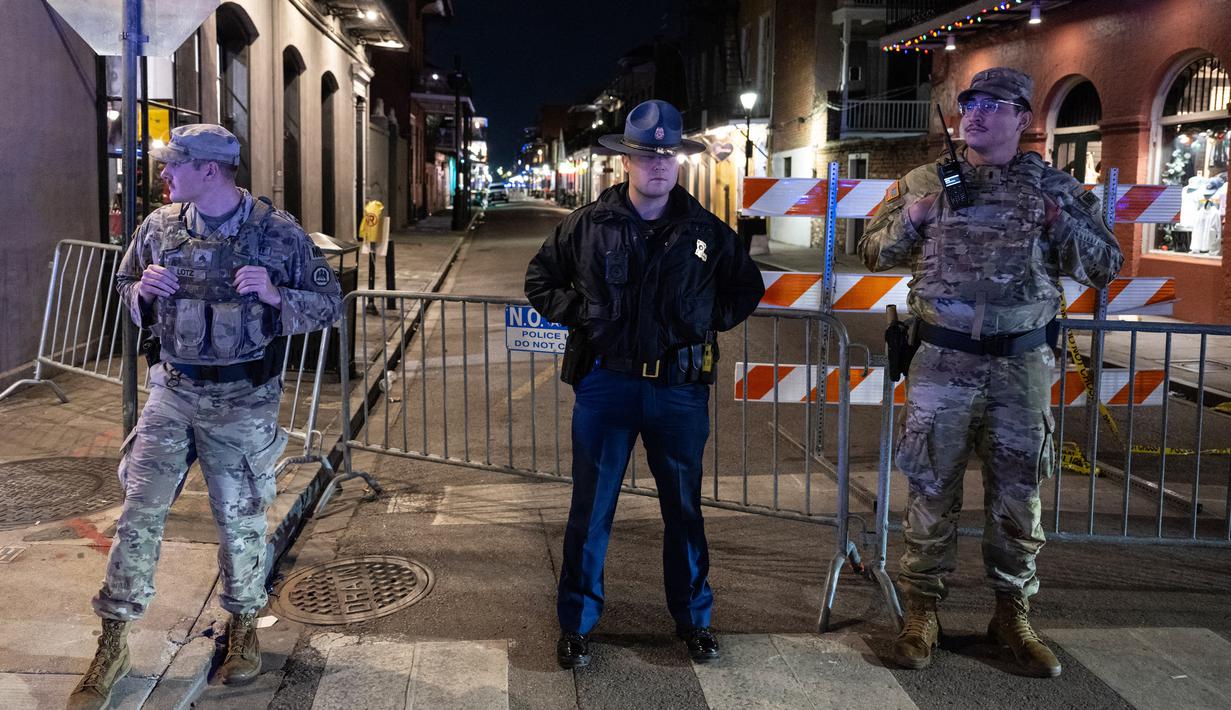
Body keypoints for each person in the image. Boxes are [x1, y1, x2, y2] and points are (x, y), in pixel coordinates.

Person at [859, 68, 1123, 678]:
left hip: (1021, 365)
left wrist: (1058, 220)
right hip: (941, 361)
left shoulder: (1054, 187)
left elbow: (1107, 264)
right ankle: (922, 610)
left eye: (992, 105)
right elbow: (874, 250)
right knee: (930, 486)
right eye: (969, 103)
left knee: (1019, 494)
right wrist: (917, 216)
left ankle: (1012, 613)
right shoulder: (924, 181)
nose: (974, 114)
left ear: (1023, 118)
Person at [68, 124, 342, 710]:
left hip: (243, 397)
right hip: (172, 387)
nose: (163, 175)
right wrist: (140, 290)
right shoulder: (158, 228)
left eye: (174, 165)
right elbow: (123, 286)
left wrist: (274, 294)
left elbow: (329, 304)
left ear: (210, 170)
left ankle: (243, 625)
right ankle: (112, 643)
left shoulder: (276, 234)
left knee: (239, 516)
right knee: (138, 511)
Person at [525, 99, 765, 669]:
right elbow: (540, 279)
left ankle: (694, 620)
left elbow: (745, 289)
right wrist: (582, 312)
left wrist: (704, 320)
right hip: (606, 386)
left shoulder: (706, 230)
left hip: (678, 391)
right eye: (647, 154)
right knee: (592, 508)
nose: (659, 164)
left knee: (684, 509)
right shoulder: (586, 226)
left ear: (679, 160)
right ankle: (577, 624)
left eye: (669, 154)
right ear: (626, 161)